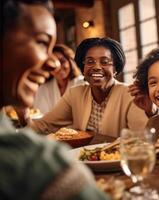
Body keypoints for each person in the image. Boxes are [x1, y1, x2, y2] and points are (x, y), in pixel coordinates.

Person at [0, 0, 109, 199]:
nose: (53, 64)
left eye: (105, 62)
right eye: (42, 42)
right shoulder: (43, 165)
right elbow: (45, 124)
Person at [19, 37, 148, 137]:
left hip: (119, 166)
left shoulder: (131, 95)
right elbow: (43, 126)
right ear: (83, 68)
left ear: (115, 69)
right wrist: (22, 113)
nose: (97, 67)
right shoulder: (75, 94)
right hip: (83, 161)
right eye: (90, 61)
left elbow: (142, 139)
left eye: (105, 62)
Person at [34, 44, 85, 114]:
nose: (58, 67)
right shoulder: (43, 89)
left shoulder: (83, 84)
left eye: (62, 61)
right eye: (53, 63)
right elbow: (42, 117)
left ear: (70, 62)